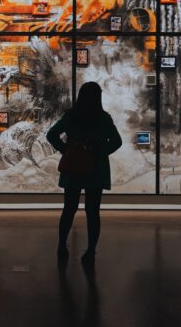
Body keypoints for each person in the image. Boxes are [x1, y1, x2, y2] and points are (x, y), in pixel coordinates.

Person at [46, 81, 122, 266]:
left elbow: (52, 134)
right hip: (96, 169)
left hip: (73, 167)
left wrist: (65, 149)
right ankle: (90, 251)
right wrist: (98, 152)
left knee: (69, 209)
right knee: (93, 212)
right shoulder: (103, 118)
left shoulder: (72, 116)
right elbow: (117, 142)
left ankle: (62, 245)